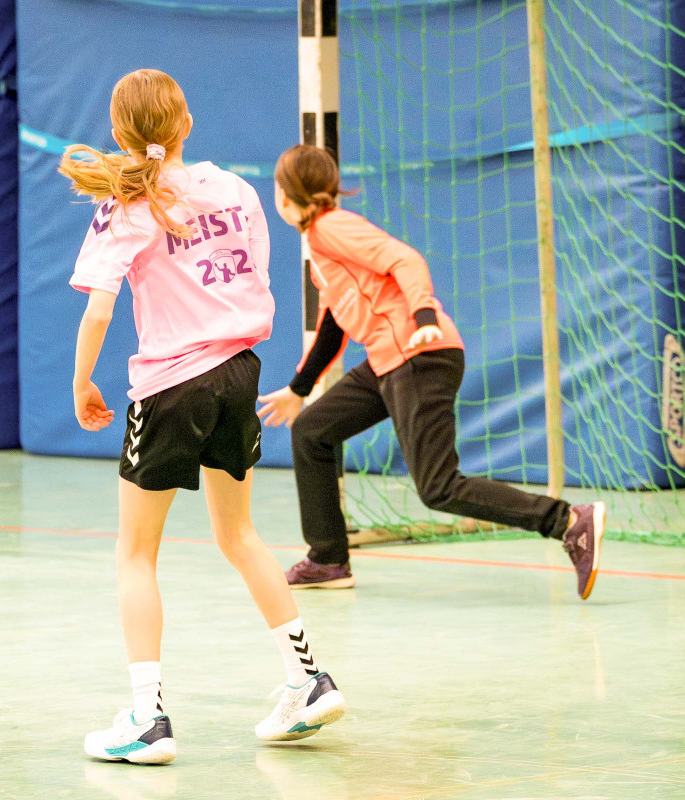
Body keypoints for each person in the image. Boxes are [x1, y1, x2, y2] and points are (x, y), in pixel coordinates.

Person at [61, 71, 346, 766]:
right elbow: (256, 279)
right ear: (186, 123)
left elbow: (99, 310)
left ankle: (147, 719)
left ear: (121, 134)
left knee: (136, 553)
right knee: (238, 533)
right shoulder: (239, 192)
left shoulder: (128, 206)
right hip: (238, 372)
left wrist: (82, 382)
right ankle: (308, 679)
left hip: (169, 384)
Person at [257, 144, 605, 600]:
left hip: (418, 355)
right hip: (390, 360)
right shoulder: (322, 244)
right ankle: (327, 559)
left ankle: (567, 520)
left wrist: (423, 314)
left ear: (285, 194)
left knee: (438, 487)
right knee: (311, 431)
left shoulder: (330, 228)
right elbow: (333, 323)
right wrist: (299, 389)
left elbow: (405, 259)